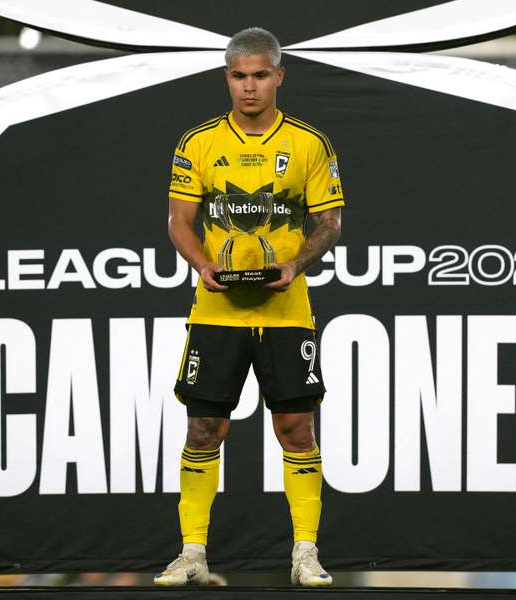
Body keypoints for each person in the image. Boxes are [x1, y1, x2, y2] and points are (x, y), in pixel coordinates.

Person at [155, 27, 343, 587]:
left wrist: (294, 266)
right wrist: (203, 266)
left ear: (279, 76)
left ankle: (304, 553)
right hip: (217, 312)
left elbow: (329, 222)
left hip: (287, 310)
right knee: (203, 427)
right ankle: (192, 554)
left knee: (297, 428)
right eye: (239, 76)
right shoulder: (198, 143)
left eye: (260, 75)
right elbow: (179, 222)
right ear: (227, 79)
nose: (250, 87)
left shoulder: (310, 143)